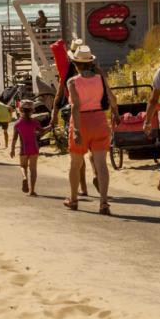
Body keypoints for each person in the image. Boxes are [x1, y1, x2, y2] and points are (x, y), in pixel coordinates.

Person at [64, 40, 112, 215]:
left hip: (81, 121)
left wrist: (76, 129)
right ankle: (104, 202)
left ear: (76, 64)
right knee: (101, 164)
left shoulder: (72, 82)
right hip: (99, 118)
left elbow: (76, 106)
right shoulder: (100, 78)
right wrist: (115, 113)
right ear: (90, 62)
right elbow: (110, 97)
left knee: (75, 163)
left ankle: (73, 199)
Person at [10, 100, 43, 196]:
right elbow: (42, 131)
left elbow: (14, 138)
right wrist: (51, 125)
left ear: (20, 109)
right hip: (34, 148)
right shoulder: (35, 122)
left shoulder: (17, 124)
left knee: (23, 166)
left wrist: (12, 149)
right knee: (33, 169)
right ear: (32, 110)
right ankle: (32, 190)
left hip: (23, 149)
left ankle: (24, 177)